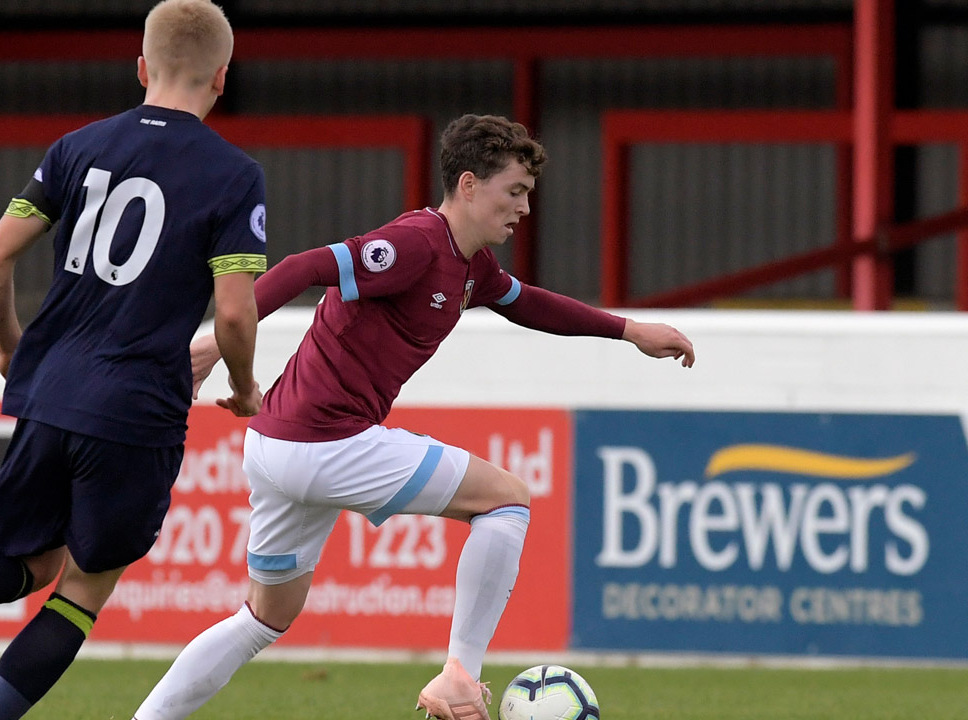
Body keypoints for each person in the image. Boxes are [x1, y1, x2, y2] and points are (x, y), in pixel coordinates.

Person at [129, 113, 695, 720]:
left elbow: (528, 303)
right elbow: (301, 267)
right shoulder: (416, 244)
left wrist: (630, 329)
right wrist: (217, 343)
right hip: (328, 442)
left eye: (529, 194)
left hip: (275, 446)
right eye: (516, 192)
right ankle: (459, 676)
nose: (525, 208)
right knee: (505, 501)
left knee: (261, 619)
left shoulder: (471, 265)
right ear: (470, 185)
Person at [0, 3, 266, 719]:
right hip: (135, 406)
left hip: (50, 389)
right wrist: (245, 388)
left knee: (23, 560)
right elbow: (235, 313)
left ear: (141, 67)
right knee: (82, 590)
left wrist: (10, 348)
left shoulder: (76, 147)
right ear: (223, 76)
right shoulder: (232, 175)